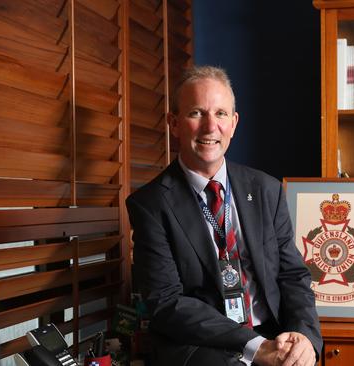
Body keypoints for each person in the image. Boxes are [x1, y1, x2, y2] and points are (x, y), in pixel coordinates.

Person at [126, 65, 322, 366]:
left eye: (220, 114)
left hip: (274, 336)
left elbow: (292, 275)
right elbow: (165, 303)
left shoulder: (267, 190)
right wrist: (257, 347)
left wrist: (303, 336)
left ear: (234, 123)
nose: (210, 126)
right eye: (196, 113)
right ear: (174, 123)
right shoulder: (150, 205)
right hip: (203, 347)